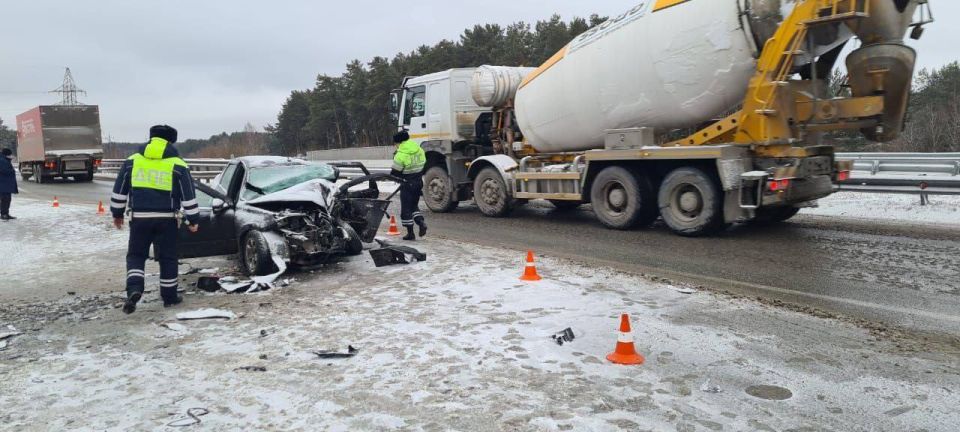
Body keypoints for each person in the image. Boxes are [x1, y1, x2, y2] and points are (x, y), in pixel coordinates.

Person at [110, 125, 200, 314]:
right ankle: (169, 297)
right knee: (168, 257)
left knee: (136, 255)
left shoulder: (132, 161)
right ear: (171, 142)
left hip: (140, 219)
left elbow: (119, 191)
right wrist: (193, 219)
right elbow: (188, 196)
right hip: (167, 219)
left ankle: (134, 290)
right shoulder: (178, 164)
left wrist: (117, 214)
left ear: (150, 139)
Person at [389, 131, 427, 240]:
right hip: (418, 182)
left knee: (406, 209)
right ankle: (421, 222)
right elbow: (424, 163)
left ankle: (410, 233)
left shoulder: (400, 155)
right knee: (414, 205)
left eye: (395, 143)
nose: (395, 145)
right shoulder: (419, 150)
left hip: (407, 184)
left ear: (399, 142)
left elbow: (395, 173)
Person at [0, 148, 17, 221]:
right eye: (9, 154)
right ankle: (4, 214)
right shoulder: (2, 161)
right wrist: (12, 171)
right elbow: (4, 171)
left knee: (7, 199)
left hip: (5, 184)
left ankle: (5, 213)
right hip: (3, 184)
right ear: (6, 154)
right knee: (5, 199)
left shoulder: (4, 160)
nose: (10, 156)